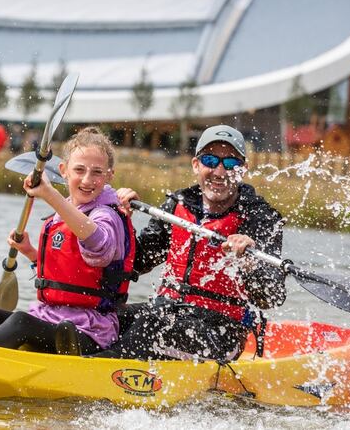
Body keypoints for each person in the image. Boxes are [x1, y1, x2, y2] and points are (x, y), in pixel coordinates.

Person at [0, 127, 135, 355]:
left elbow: (99, 247)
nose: (87, 179)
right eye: (79, 169)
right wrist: (31, 252)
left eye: (97, 172)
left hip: (88, 333)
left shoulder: (106, 215)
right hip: (49, 317)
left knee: (20, 322)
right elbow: (68, 273)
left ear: (109, 175)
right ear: (63, 170)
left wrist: (50, 195)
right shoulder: (67, 211)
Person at [98, 125, 286, 362]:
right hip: (166, 311)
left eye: (230, 163)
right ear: (196, 165)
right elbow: (137, 262)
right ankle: (83, 355)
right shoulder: (177, 206)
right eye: (210, 160)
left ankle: (96, 366)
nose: (220, 172)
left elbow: (272, 297)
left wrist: (250, 262)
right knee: (107, 316)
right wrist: (122, 220)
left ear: (243, 169)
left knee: (152, 325)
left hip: (221, 332)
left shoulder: (260, 218)